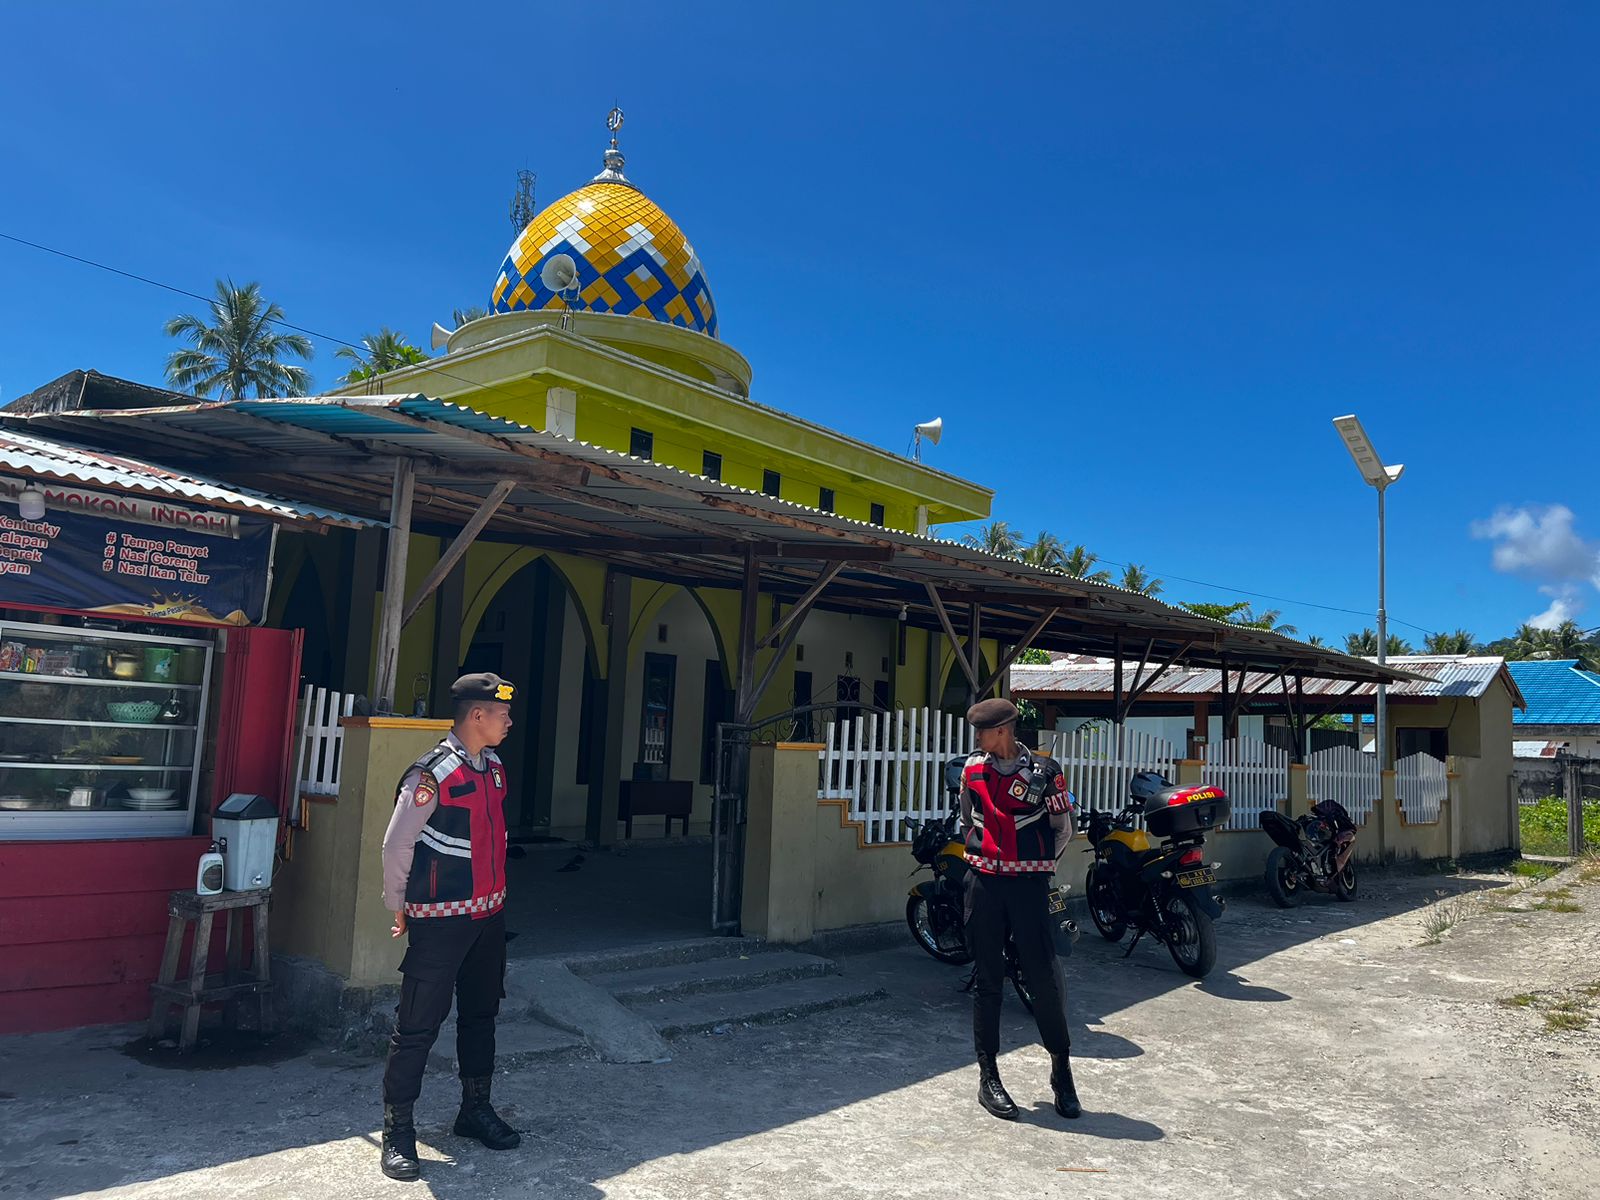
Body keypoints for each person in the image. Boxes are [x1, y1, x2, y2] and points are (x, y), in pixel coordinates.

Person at [377, 672, 522, 1182]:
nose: (508, 719)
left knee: (481, 1016)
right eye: (501, 712)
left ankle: (474, 1110)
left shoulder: (495, 768)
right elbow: (397, 845)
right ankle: (398, 1132)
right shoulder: (431, 775)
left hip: (488, 916)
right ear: (476, 716)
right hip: (440, 921)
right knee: (416, 1026)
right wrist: (399, 903)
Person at [959, 696, 1081, 1121]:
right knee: (988, 980)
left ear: (1004, 730)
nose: (978, 737)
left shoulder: (1046, 773)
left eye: (984, 730)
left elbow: (1063, 829)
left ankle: (1061, 1070)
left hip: (1028, 885)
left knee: (1043, 976)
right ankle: (988, 1075)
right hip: (984, 883)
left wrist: (1035, 863)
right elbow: (967, 817)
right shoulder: (973, 768)